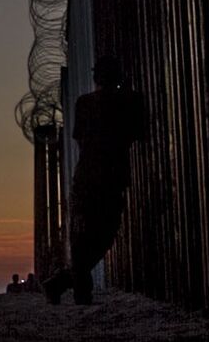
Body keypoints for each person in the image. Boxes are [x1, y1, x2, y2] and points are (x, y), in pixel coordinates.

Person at [45, 55, 144, 305]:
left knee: (83, 236)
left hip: (86, 174)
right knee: (105, 234)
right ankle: (71, 285)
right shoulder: (129, 101)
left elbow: (79, 138)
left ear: (95, 78)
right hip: (112, 176)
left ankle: (70, 285)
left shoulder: (83, 103)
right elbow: (138, 133)